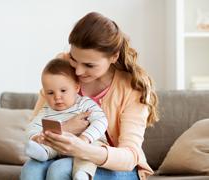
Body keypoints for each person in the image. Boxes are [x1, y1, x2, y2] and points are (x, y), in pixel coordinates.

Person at [21, 12, 158, 180]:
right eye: (74, 59)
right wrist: (66, 129)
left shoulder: (133, 86)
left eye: (89, 65)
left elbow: (129, 157)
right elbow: (37, 121)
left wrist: (81, 147)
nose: (77, 71)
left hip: (115, 166)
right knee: (31, 168)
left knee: (61, 169)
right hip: (63, 155)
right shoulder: (63, 67)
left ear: (113, 56)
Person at [25, 58, 109, 180]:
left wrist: (84, 139)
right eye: (50, 93)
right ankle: (42, 153)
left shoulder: (84, 104)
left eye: (63, 91)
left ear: (76, 88)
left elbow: (101, 120)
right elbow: (32, 126)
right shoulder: (47, 109)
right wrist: (35, 137)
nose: (57, 97)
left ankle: (82, 174)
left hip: (87, 144)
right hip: (60, 147)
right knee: (49, 142)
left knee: (88, 152)